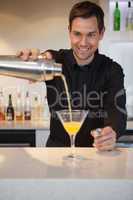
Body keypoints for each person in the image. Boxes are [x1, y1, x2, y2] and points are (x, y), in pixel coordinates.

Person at [18, 1, 127, 151]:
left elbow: (117, 111)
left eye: (91, 34)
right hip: (56, 153)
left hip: (95, 154)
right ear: (69, 31)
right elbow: (44, 59)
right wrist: (29, 63)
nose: (83, 43)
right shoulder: (54, 62)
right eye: (77, 34)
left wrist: (111, 131)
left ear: (101, 33)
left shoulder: (112, 70)